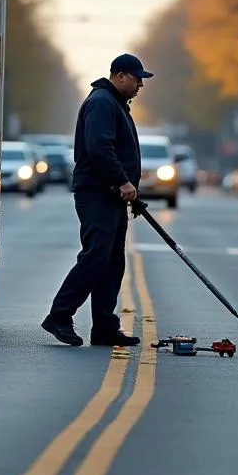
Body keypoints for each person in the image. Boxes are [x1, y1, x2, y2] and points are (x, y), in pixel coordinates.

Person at [41, 53, 152, 347]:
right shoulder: (102, 103)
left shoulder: (114, 104)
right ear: (120, 76)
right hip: (97, 194)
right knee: (96, 256)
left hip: (111, 195)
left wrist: (130, 192)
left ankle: (104, 326)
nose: (140, 84)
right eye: (137, 77)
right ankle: (59, 315)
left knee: (112, 261)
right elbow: (100, 148)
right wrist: (123, 181)